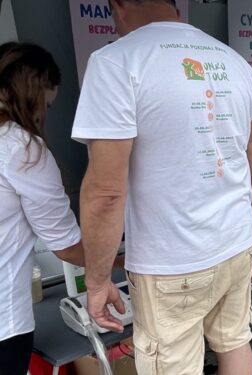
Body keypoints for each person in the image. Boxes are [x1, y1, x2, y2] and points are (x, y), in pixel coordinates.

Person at [70, 1, 252, 374]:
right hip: (236, 242)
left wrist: (97, 282)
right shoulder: (235, 63)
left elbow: (105, 192)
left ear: (118, 5)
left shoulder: (116, 62)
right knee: (234, 343)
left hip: (171, 261)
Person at [0, 42, 85, 375]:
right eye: (46, 104)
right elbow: (66, 246)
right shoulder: (22, 148)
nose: (44, 115)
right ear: (31, 94)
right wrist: (124, 261)